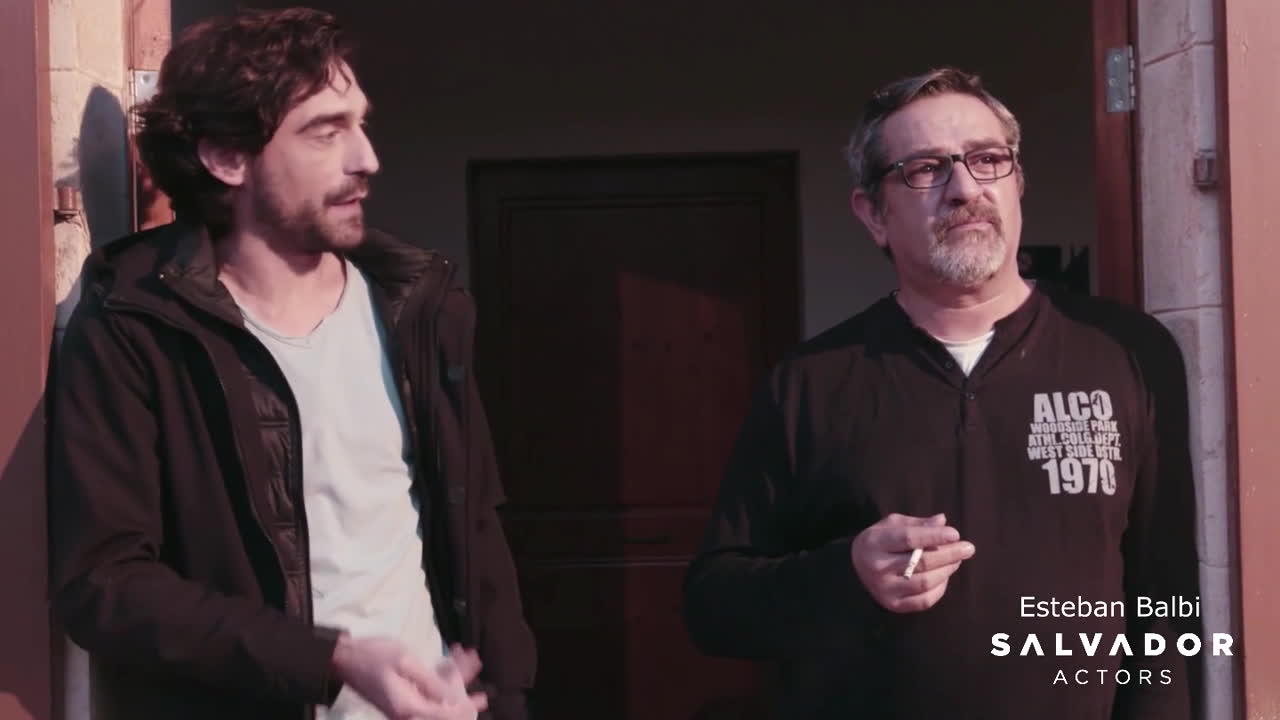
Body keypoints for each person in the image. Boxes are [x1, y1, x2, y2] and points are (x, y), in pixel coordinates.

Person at [48, 8, 535, 720]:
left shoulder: (420, 310)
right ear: (226, 158)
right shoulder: (136, 324)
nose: (366, 158)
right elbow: (105, 586)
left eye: (361, 124)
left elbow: (479, 536)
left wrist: (505, 699)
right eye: (326, 131)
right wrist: (329, 660)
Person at [681, 68, 1201, 719]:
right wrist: (845, 575)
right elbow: (713, 605)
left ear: (1017, 183)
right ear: (873, 214)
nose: (965, 189)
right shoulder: (810, 383)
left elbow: (1163, 598)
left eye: (987, 160)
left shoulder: (1127, 352)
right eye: (925, 169)